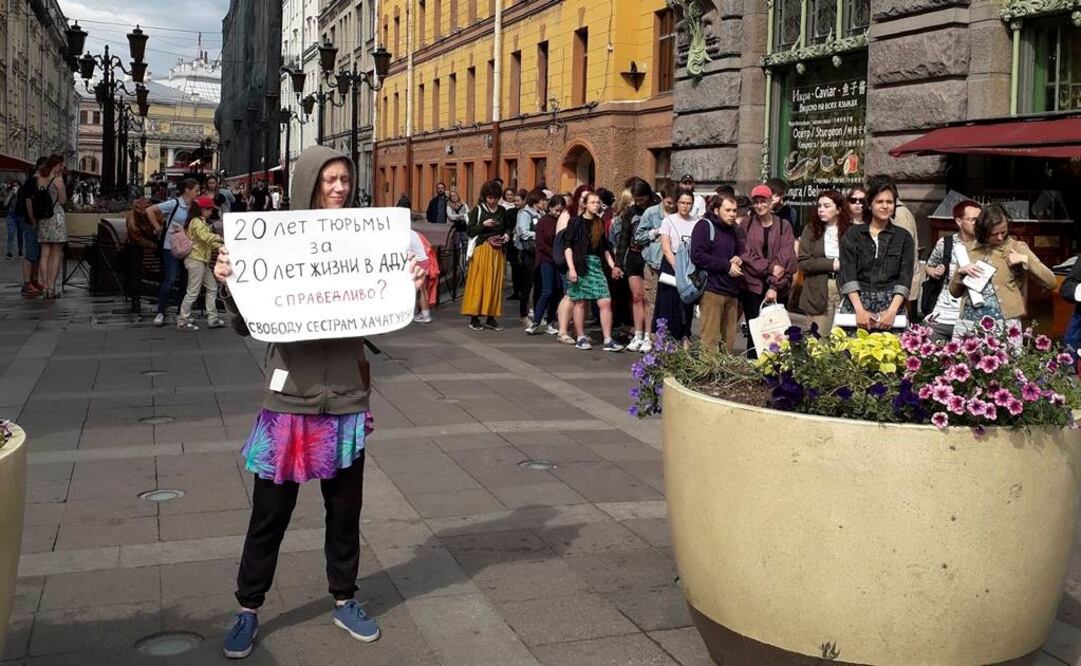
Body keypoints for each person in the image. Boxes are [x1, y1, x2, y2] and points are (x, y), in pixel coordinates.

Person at [213, 145, 424, 660]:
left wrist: (407, 285)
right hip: (291, 400)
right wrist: (230, 284)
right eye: (329, 178)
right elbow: (248, 323)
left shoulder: (366, 242)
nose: (339, 187)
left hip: (347, 397)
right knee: (270, 513)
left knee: (344, 510)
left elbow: (381, 313)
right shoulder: (277, 242)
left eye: (344, 179)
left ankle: (345, 597)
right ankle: (247, 608)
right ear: (309, 183)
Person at [949, 203, 1055, 337]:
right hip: (970, 321)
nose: (1000, 237)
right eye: (994, 234)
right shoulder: (969, 250)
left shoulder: (1016, 247)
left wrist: (1025, 259)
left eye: (1003, 232)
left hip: (1005, 322)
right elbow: (954, 292)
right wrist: (960, 274)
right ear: (983, 231)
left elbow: (1051, 281)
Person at [837, 179, 915, 331]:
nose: (885, 206)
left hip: (891, 305)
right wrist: (859, 310)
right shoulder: (853, 234)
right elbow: (847, 274)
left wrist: (891, 312)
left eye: (889, 202)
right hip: (857, 303)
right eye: (879, 201)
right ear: (870, 204)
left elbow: (905, 278)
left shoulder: (903, 237)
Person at [739, 184, 797, 356]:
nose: (759, 205)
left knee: (776, 334)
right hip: (752, 287)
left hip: (777, 288)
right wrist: (770, 267)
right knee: (754, 333)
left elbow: (787, 257)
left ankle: (776, 373)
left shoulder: (783, 226)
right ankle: (752, 372)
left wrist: (773, 286)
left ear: (771, 201)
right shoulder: (746, 224)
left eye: (763, 201)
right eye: (755, 202)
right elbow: (745, 254)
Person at [563, 192, 624, 352]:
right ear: (584, 204)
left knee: (605, 301)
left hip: (596, 265)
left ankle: (608, 338)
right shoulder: (575, 222)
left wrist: (613, 266)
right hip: (580, 264)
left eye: (598, 202)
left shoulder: (599, 223)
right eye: (593, 202)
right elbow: (568, 246)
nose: (596, 205)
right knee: (580, 301)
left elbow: (604, 249)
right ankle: (581, 336)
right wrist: (571, 268)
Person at [691, 193, 745, 352]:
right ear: (716, 210)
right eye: (728, 210)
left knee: (728, 343)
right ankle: (709, 375)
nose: (732, 214)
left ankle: (723, 375)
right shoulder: (704, 226)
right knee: (710, 342)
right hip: (712, 290)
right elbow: (697, 255)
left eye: (734, 211)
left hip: (732, 291)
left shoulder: (734, 229)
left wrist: (738, 259)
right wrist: (726, 266)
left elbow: (735, 254)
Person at [922, 200, 980, 341]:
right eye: (972, 220)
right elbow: (928, 266)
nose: (977, 223)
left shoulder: (986, 246)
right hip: (943, 313)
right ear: (959, 222)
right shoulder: (945, 243)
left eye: (980, 220)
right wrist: (935, 272)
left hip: (972, 314)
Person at [148, 178, 200, 327]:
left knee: (185, 280)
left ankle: (181, 313)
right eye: (196, 190)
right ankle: (161, 311)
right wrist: (157, 227)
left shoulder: (195, 207)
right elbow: (150, 210)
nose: (198, 192)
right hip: (170, 247)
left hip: (188, 248)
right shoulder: (174, 204)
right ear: (187, 190)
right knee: (170, 280)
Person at [651, 191, 702, 343]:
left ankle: (684, 335)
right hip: (671, 265)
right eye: (682, 202)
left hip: (689, 266)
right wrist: (676, 266)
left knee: (685, 303)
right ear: (677, 203)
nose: (685, 206)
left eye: (688, 203)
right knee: (667, 302)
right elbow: (666, 246)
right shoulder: (668, 221)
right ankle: (664, 338)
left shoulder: (696, 223)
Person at [798, 190, 851, 334]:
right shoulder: (811, 230)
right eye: (819, 206)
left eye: (826, 206)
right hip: (818, 288)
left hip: (844, 287)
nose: (821, 209)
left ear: (839, 209)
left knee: (843, 339)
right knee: (819, 339)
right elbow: (804, 262)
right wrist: (832, 264)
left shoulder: (850, 230)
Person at [461, 180, 511, 331]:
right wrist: (483, 225)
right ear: (485, 197)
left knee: (495, 283)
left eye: (495, 197)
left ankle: (491, 317)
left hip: (497, 251)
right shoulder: (478, 210)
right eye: (490, 197)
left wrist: (507, 235)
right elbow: (469, 231)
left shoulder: (502, 210)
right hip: (482, 250)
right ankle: (474, 317)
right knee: (479, 282)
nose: (493, 200)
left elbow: (508, 226)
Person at [612, 180, 655, 352]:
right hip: (633, 256)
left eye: (641, 199)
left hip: (649, 257)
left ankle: (648, 335)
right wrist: (617, 264)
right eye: (636, 199)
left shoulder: (655, 209)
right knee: (637, 296)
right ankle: (637, 334)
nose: (638, 203)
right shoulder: (631, 211)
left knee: (648, 299)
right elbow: (623, 238)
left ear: (648, 196)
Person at [635, 181, 677, 347]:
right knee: (651, 302)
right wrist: (655, 232)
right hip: (653, 264)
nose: (672, 206)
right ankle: (649, 336)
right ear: (662, 198)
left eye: (674, 203)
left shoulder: (678, 214)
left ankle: (665, 337)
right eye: (668, 203)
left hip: (671, 265)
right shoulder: (651, 213)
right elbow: (638, 236)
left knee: (668, 303)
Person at [553, 185, 595, 344]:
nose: (585, 202)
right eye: (583, 198)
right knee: (570, 295)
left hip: (584, 261)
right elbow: (563, 240)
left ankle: (578, 330)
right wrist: (570, 264)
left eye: (588, 198)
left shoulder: (590, 215)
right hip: (569, 261)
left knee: (582, 297)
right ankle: (562, 330)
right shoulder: (568, 214)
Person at [177, 199, 224, 331]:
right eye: (208, 209)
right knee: (193, 291)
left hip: (200, 260)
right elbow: (205, 237)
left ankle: (212, 318)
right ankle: (183, 320)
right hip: (195, 260)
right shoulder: (196, 222)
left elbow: (206, 241)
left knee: (212, 287)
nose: (210, 212)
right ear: (201, 209)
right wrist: (220, 239)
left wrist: (222, 246)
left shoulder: (200, 222)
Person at [26, 155, 67, 299]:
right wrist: (61, 185)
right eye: (61, 165)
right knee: (56, 255)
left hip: (43, 219)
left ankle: (44, 288)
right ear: (56, 165)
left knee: (44, 255)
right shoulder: (58, 180)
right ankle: (51, 288)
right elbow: (62, 201)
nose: (62, 168)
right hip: (56, 218)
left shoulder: (39, 178)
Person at [526, 194, 565, 335]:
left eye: (560, 210)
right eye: (556, 210)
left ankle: (550, 322)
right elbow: (541, 244)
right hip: (546, 260)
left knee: (557, 292)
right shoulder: (543, 221)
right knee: (547, 290)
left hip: (559, 260)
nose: (558, 213)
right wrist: (554, 253)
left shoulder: (562, 220)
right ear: (550, 207)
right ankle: (536, 321)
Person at [14, 159, 45, 297]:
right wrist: (32, 219)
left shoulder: (39, 181)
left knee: (37, 253)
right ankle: (27, 284)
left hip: (36, 221)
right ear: (41, 167)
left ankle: (33, 280)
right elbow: (28, 201)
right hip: (30, 222)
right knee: (31, 253)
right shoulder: (33, 181)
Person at [514, 189, 545, 325]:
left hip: (539, 252)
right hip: (528, 252)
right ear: (536, 201)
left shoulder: (541, 213)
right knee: (528, 284)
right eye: (542, 200)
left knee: (539, 283)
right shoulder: (524, 213)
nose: (544, 203)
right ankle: (523, 314)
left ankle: (538, 314)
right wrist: (538, 235)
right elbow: (523, 233)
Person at [125, 197, 161, 314]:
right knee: (135, 268)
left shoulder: (156, 213)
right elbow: (136, 236)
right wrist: (154, 246)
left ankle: (162, 294)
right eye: (138, 208)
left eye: (145, 207)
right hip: (136, 245)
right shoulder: (131, 217)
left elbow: (161, 226)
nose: (142, 211)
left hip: (154, 241)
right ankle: (135, 297)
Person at [3, 182, 22, 260]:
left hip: (20, 217)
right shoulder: (10, 194)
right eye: (14, 185)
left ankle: (20, 250)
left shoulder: (22, 194)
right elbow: (5, 204)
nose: (15, 187)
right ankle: (9, 252)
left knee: (20, 235)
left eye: (17, 185)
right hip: (11, 216)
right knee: (10, 234)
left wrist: (18, 194)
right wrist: (10, 195)